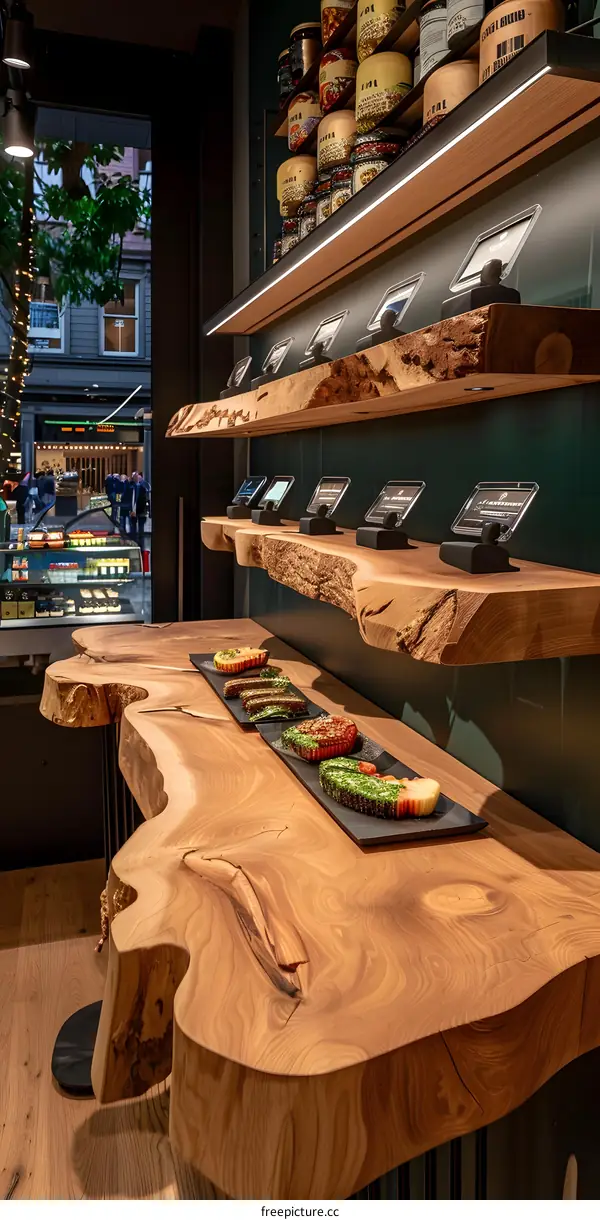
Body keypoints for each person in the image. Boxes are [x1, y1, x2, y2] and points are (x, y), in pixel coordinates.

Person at [129, 471, 149, 549]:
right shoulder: (130, 487)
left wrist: (136, 511)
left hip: (140, 512)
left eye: (137, 477)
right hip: (133, 512)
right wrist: (131, 511)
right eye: (135, 477)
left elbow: (143, 501)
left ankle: (140, 545)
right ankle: (134, 543)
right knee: (133, 529)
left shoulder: (142, 488)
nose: (136, 478)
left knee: (140, 530)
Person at [118, 473, 133, 538]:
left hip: (124, 504)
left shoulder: (122, 485)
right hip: (128, 504)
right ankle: (130, 532)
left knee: (123, 519)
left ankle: (123, 532)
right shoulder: (129, 485)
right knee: (129, 519)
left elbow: (119, 493)